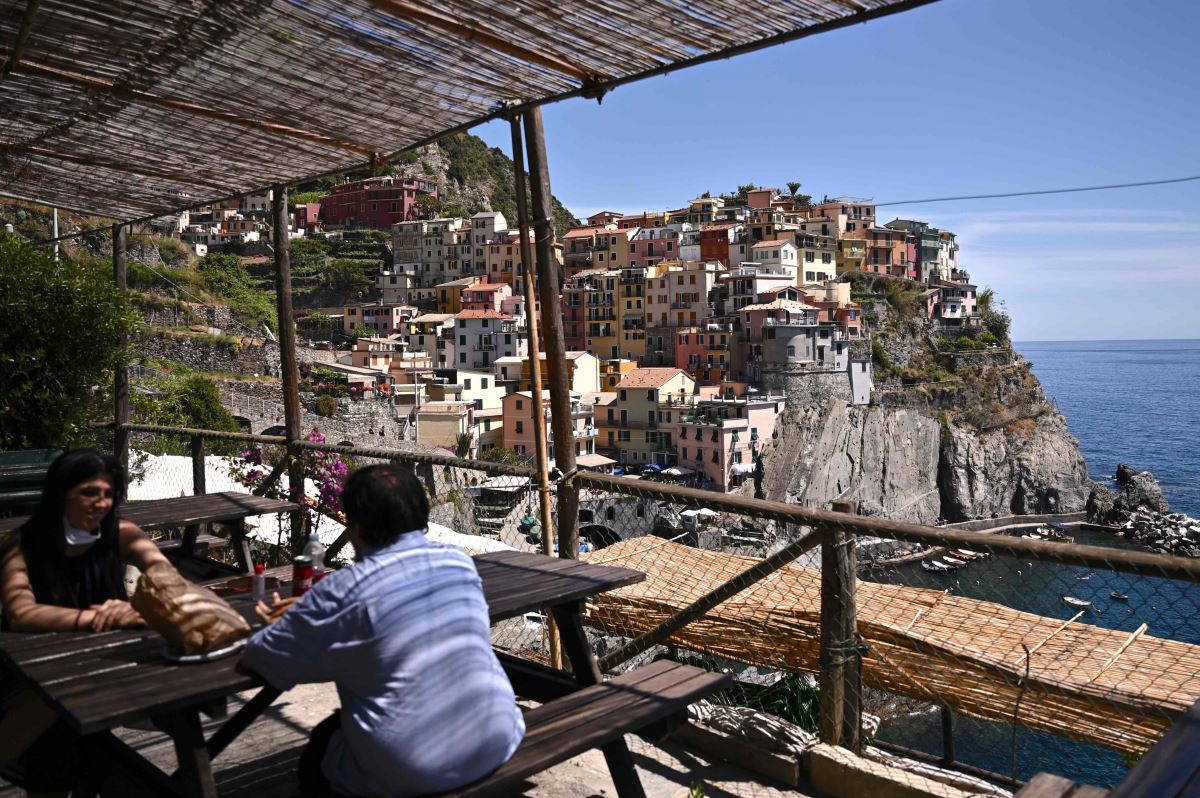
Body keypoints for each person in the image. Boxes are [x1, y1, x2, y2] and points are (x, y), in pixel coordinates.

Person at [241, 464, 524, 797]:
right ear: (421, 517)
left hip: (416, 769)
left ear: (355, 527)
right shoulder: (458, 563)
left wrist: (280, 626)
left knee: (318, 752)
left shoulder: (345, 590)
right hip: (497, 736)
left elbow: (263, 658)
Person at [0, 449, 174, 795]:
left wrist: (150, 601)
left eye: (109, 494)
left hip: (102, 666)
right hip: (34, 670)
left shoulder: (123, 534)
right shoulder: (19, 545)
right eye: (89, 492)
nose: (101, 503)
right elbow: (21, 613)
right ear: (61, 493)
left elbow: (166, 577)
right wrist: (97, 618)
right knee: (55, 756)